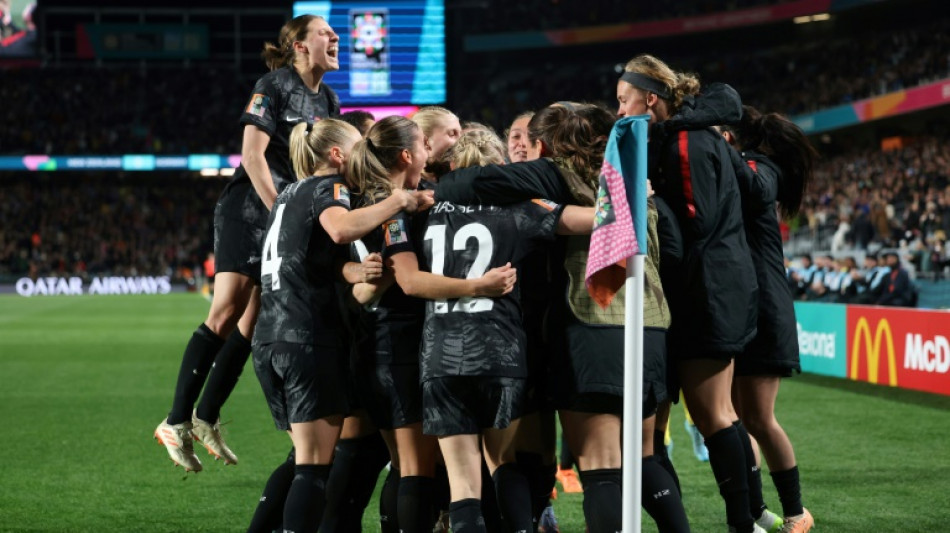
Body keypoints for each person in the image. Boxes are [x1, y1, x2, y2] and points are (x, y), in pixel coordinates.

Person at [436, 103, 688, 533]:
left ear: (547, 144)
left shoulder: (557, 174)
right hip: (650, 325)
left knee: (601, 465)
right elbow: (674, 251)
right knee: (643, 456)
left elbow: (469, 183)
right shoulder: (628, 176)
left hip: (593, 324)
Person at [155, 14, 343, 473]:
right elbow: (252, 155)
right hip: (250, 209)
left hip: (285, 212)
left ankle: (205, 415)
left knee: (254, 318)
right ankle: (175, 420)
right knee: (225, 311)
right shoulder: (273, 85)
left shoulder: (329, 99)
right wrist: (282, 209)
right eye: (324, 32)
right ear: (299, 45)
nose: (335, 36)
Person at [248, 118, 429, 533]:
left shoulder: (287, 194)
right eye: (357, 144)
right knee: (312, 470)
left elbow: (314, 261)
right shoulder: (331, 187)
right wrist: (400, 200)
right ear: (337, 155)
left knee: (303, 460)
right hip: (307, 337)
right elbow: (340, 228)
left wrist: (354, 271)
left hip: (270, 338)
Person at [346, 118, 519, 533]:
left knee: (409, 465)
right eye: (431, 141)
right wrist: (477, 285)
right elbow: (404, 280)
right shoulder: (395, 208)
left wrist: (359, 278)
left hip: (389, 344)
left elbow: (362, 285)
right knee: (417, 466)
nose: (436, 150)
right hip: (404, 344)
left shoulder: (380, 202)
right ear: (408, 154)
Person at [618, 54, 762, 532]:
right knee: (719, 412)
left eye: (624, 100)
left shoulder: (684, 142)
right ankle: (747, 518)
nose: (619, 111)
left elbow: (694, 221)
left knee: (712, 413)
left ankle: (743, 521)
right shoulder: (692, 134)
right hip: (719, 282)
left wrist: (650, 198)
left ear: (649, 98)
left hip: (708, 289)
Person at [722, 105, 818, 533]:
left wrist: (728, 155)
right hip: (744, 303)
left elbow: (757, 186)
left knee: (759, 419)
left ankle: (797, 513)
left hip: (765, 306)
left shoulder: (763, 169)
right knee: (737, 420)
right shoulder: (751, 166)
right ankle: (756, 511)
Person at [410, 106, 462, 184]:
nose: (461, 140)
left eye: (461, 134)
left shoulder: (459, 180)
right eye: (452, 133)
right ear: (425, 139)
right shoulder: (400, 186)